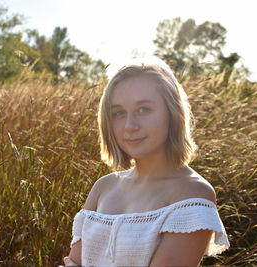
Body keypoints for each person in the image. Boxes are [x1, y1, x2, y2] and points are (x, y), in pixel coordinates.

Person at [62, 57, 230, 266]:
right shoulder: (104, 187)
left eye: (144, 109)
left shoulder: (193, 195)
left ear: (172, 113)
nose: (129, 125)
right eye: (118, 113)